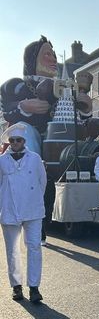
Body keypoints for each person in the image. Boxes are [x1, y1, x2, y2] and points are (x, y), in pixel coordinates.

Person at [0, 35, 92, 154]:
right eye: (47, 55)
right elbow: (6, 109)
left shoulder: (66, 89)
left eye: (54, 55)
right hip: (32, 138)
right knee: (24, 129)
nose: (54, 60)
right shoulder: (17, 85)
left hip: (61, 139)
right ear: (32, 59)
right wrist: (23, 106)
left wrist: (86, 109)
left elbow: (80, 123)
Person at [0, 123, 47, 303]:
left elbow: (42, 182)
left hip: (33, 210)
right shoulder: (2, 161)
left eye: (18, 140)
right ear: (9, 142)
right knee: (12, 250)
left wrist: (33, 200)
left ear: (24, 141)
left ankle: (34, 287)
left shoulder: (35, 158)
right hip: (9, 210)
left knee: (34, 247)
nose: (15, 143)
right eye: (12, 140)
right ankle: (16, 286)